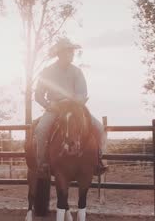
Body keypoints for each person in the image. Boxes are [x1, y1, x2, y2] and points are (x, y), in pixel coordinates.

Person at [34, 37, 107, 178]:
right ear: (60, 53)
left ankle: (98, 162)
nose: (72, 54)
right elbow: (38, 95)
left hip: (75, 107)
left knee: (99, 127)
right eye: (69, 52)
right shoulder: (47, 72)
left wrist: (75, 102)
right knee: (41, 129)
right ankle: (42, 164)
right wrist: (49, 105)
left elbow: (82, 93)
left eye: (72, 52)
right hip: (55, 108)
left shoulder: (77, 72)